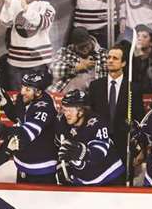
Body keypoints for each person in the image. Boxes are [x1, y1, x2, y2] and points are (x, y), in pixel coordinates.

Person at [0, 70, 58, 184]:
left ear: (38, 92)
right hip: (22, 165)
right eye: (22, 87)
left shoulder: (45, 107)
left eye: (27, 89)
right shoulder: (23, 98)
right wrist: (5, 103)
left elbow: (25, 134)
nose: (22, 92)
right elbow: (18, 117)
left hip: (41, 170)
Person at [87, 44, 143, 179]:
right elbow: (90, 116)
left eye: (115, 58)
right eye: (109, 57)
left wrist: (141, 148)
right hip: (100, 143)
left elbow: (139, 118)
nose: (110, 60)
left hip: (123, 145)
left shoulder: (133, 88)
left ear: (123, 63)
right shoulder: (95, 86)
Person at [55, 89, 125, 186]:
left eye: (70, 110)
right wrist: (63, 166)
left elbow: (99, 153)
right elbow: (60, 147)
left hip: (109, 176)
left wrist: (83, 153)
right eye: (64, 109)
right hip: (84, 179)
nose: (66, 114)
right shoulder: (62, 121)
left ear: (81, 111)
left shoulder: (98, 123)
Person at [0, 0, 56, 89]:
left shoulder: (46, 6)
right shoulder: (14, 4)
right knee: (17, 98)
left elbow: (43, 23)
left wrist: (25, 7)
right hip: (16, 62)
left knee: (37, 97)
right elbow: (5, 22)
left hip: (38, 63)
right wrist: (7, 5)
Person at [49, 26, 108, 94]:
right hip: (66, 94)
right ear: (74, 45)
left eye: (86, 45)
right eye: (81, 47)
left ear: (90, 40)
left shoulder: (103, 54)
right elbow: (53, 70)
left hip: (91, 95)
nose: (85, 49)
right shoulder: (65, 52)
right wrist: (78, 66)